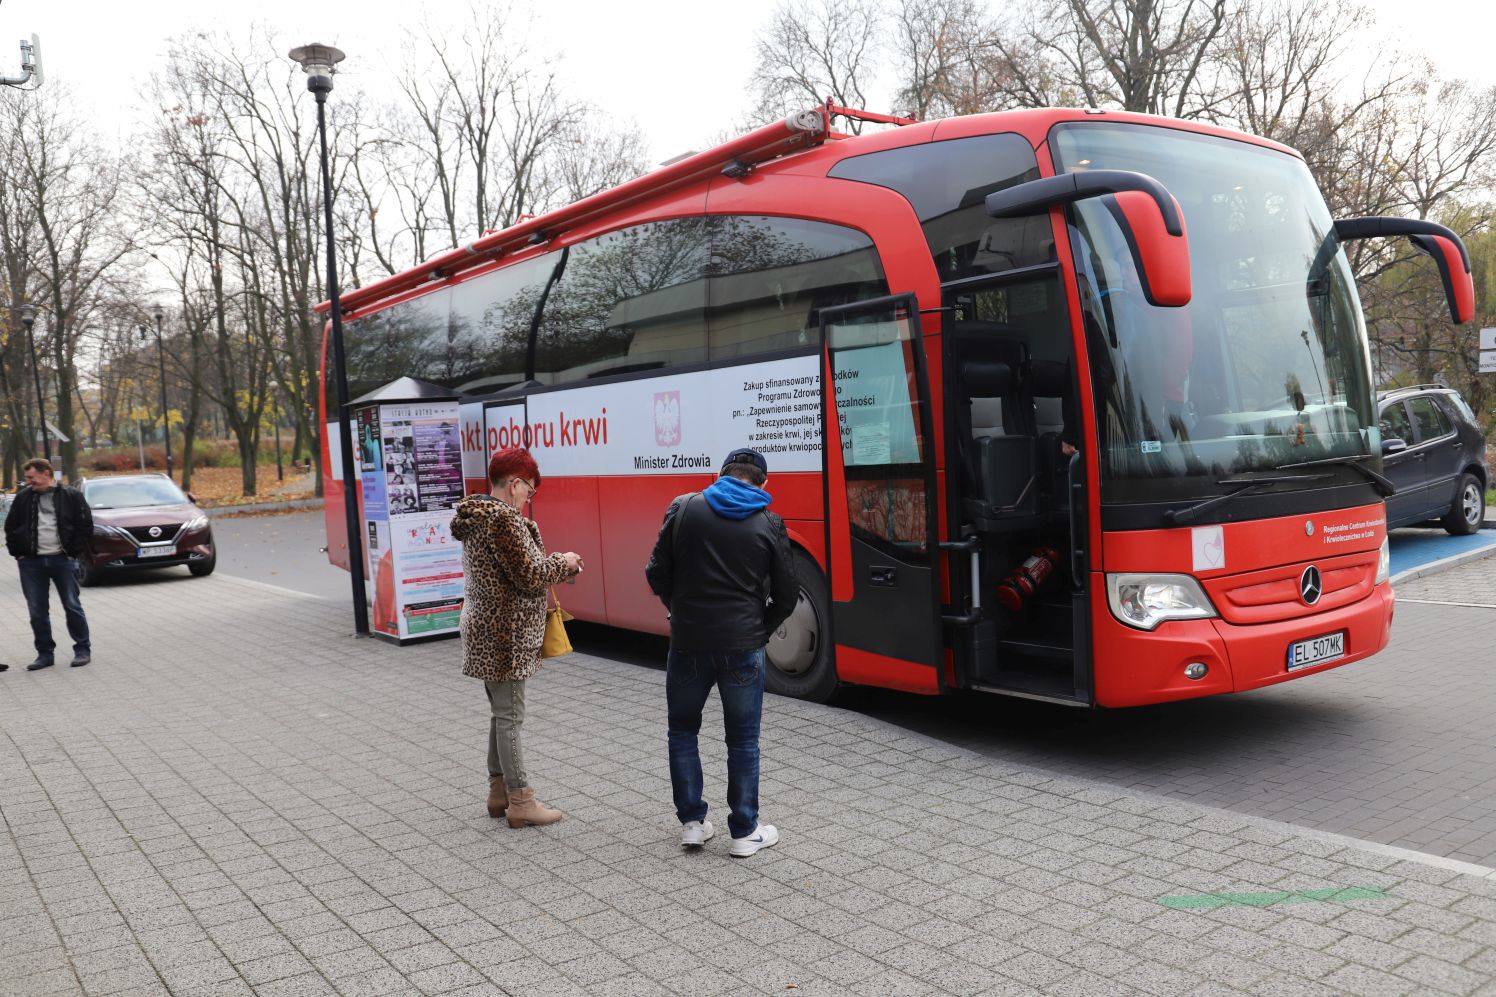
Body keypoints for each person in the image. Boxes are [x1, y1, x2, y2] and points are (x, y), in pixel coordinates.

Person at [644, 446, 797, 857]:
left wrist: (679, 610)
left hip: (689, 640)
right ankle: (744, 832)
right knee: (743, 740)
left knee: (682, 730)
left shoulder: (684, 507)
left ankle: (693, 824)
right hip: (743, 645)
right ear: (764, 483)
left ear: (721, 474)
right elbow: (788, 594)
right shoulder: (769, 521)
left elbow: (656, 572)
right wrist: (758, 632)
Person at [450, 447, 582, 829]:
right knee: (511, 716)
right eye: (530, 490)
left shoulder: (477, 517)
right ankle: (521, 800)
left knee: (500, 712)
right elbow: (529, 574)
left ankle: (498, 792)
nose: (528, 498)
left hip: (486, 627)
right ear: (514, 484)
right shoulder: (503, 521)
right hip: (505, 633)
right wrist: (567, 562)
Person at [4, 459, 93, 670]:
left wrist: (73, 552)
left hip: (63, 560)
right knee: (37, 610)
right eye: (27, 478)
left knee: (72, 606)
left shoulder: (71, 495)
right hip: (31, 564)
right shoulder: (23, 497)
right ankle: (45, 654)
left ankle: (82, 650)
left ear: (46, 473)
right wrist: (19, 554)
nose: (28, 482)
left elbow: (85, 525)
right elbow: (11, 526)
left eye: (31, 477)